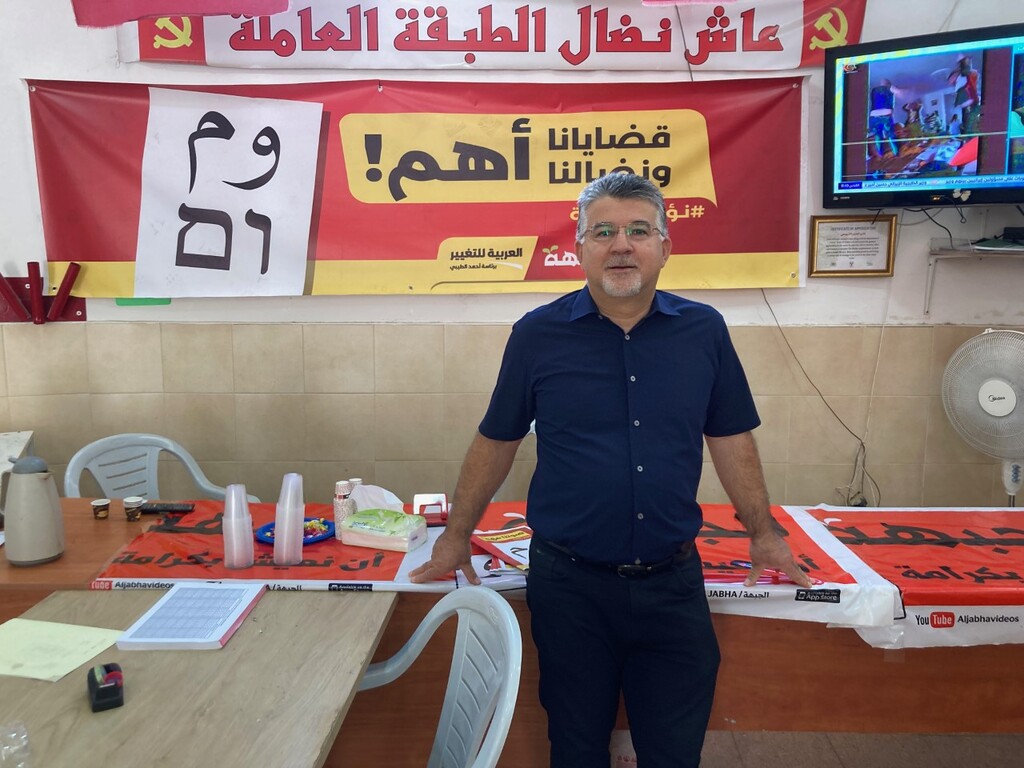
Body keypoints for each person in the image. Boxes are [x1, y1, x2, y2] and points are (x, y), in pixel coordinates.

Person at [409, 172, 812, 768]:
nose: (621, 245)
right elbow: (497, 440)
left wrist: (764, 532)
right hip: (570, 588)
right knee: (575, 748)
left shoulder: (703, 332)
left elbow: (730, 436)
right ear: (578, 248)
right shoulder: (537, 336)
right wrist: (456, 534)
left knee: (673, 753)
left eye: (638, 231)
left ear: (665, 246)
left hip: (673, 585)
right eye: (603, 231)